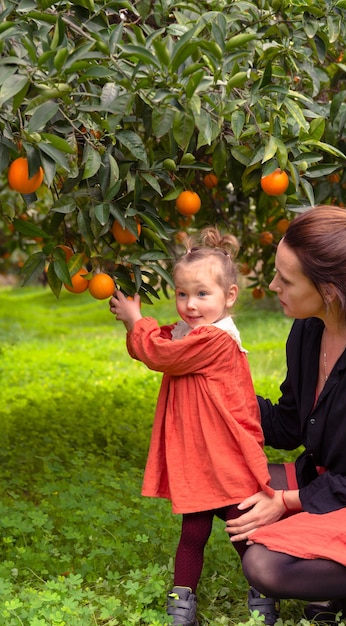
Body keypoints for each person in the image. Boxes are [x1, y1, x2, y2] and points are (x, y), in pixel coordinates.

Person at [224, 205, 346, 624]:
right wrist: (218, 397)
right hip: (333, 483)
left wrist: (287, 502)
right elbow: (291, 425)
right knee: (229, 481)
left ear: (329, 291)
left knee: (265, 567)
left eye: (286, 280)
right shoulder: (309, 330)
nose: (273, 286)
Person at [109, 227, 276, 626]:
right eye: (182, 294)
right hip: (200, 457)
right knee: (194, 533)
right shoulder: (194, 334)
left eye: (202, 294)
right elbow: (163, 341)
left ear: (229, 296)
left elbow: (160, 352)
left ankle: (266, 594)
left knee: (243, 530)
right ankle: (182, 605)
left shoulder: (217, 340)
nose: (190, 304)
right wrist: (140, 325)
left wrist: (137, 320)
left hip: (226, 455)